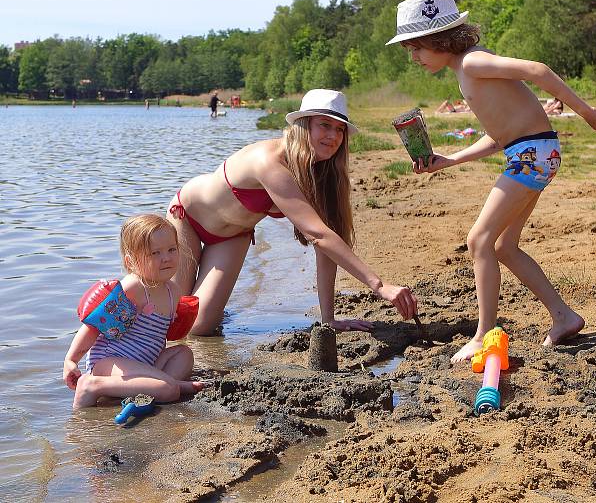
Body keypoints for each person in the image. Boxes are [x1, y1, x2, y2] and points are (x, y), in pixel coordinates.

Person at [386, 0, 596, 361]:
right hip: (532, 152)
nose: (413, 57)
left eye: (416, 48)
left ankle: (482, 334)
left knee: (478, 239)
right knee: (501, 246)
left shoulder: (473, 62)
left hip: (532, 154)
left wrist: (586, 112)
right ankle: (563, 316)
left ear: (439, 39)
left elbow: (537, 70)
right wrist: (448, 161)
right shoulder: (466, 71)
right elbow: (498, 137)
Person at [167, 89, 418, 335]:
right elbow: (316, 234)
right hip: (187, 218)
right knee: (170, 319)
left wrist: (328, 319)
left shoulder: (321, 172)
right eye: (324, 125)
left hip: (233, 235)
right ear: (303, 124)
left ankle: (212, 305)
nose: (333, 136)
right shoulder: (269, 162)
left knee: (198, 327)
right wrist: (380, 286)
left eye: (339, 129)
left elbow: (326, 241)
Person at [63, 214, 204, 409]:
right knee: (169, 391)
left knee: (184, 353)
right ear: (131, 262)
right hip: (110, 361)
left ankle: (150, 385)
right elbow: (94, 326)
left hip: (145, 362)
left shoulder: (173, 291)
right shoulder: (135, 287)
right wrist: (71, 360)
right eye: (155, 253)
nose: (166, 258)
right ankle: (92, 385)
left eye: (172, 249)